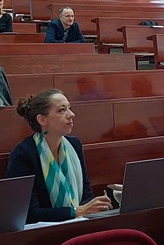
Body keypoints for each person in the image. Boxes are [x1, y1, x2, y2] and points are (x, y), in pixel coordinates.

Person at [6, 89, 113, 222]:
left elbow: (86, 195)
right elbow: (29, 214)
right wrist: (76, 211)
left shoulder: (74, 144)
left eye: (69, 108)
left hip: (79, 222)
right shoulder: (23, 154)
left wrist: (91, 208)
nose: (71, 114)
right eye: (62, 110)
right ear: (42, 120)